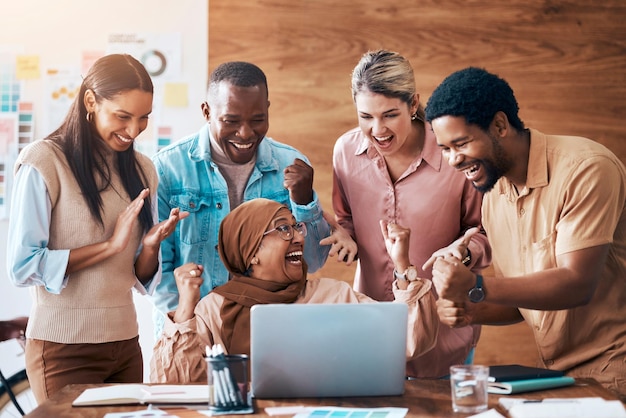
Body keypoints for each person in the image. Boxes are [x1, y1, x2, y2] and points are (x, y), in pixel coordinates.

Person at [425, 67, 626, 398]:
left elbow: (577, 284)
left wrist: (476, 285)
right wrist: (468, 310)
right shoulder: (493, 198)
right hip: (553, 375)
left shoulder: (586, 169)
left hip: (613, 369)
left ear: (500, 125)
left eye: (461, 143)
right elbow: (522, 301)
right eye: (444, 148)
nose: (453, 160)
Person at [6, 54, 187, 402]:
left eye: (143, 118)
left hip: (125, 345)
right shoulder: (43, 161)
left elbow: (137, 277)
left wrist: (149, 246)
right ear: (91, 101)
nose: (133, 131)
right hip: (63, 350)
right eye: (122, 116)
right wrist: (109, 246)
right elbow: (23, 266)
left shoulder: (143, 169)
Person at [321, 50, 491, 378]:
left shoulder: (455, 154)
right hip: (371, 327)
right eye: (365, 116)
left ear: (413, 104)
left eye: (389, 115)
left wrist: (463, 253)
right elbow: (348, 221)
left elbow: (483, 231)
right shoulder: (345, 151)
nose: (377, 129)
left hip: (444, 331)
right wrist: (345, 235)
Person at [150, 198, 438, 383]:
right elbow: (172, 384)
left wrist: (402, 265)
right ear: (251, 252)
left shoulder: (334, 295)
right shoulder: (213, 308)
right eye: (283, 230)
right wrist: (186, 306)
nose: (299, 237)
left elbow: (410, 342)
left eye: (296, 227)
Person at [151, 61, 332, 334]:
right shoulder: (167, 169)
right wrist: (194, 320)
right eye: (231, 121)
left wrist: (304, 201)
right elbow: (154, 272)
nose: (246, 133)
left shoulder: (291, 164)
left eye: (258, 120)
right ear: (207, 111)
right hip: (190, 329)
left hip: (270, 329)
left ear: (268, 110)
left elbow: (313, 262)